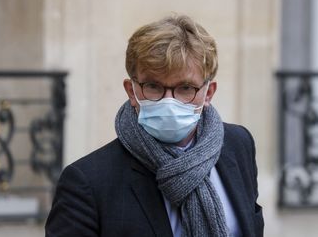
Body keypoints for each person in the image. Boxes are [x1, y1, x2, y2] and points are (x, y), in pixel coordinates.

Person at [45, 14, 264, 237]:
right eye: (153, 87)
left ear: (209, 93)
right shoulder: (87, 182)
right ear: (131, 91)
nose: (169, 101)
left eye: (186, 88)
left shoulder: (238, 145)